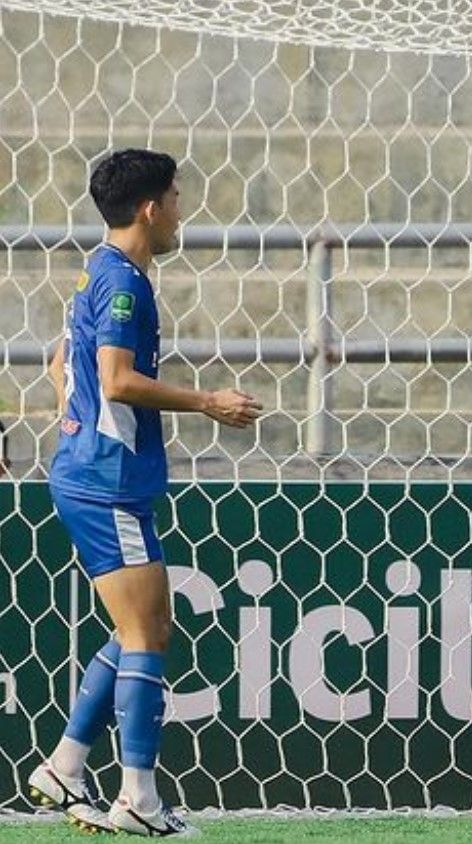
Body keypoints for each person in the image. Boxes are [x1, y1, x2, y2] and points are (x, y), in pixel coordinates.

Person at [28, 148, 261, 837]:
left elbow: (59, 362)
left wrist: (78, 421)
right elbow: (120, 378)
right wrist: (208, 400)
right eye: (178, 198)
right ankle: (138, 798)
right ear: (152, 208)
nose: (182, 212)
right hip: (107, 481)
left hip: (91, 470)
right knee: (145, 634)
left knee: (145, 628)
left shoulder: (95, 272)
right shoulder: (125, 283)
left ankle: (65, 767)